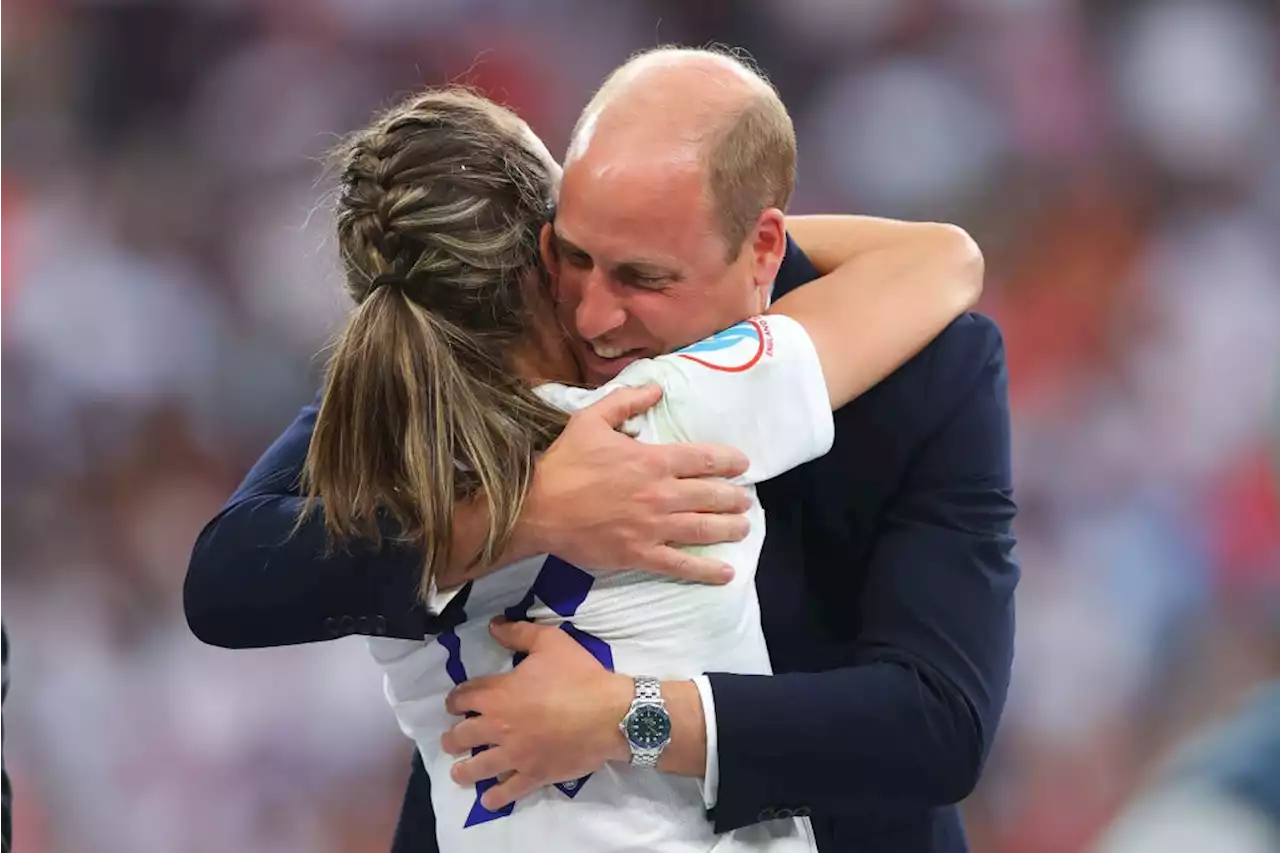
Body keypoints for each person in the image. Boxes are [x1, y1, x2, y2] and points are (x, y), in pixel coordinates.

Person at [186, 46, 1018, 853]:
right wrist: (526, 512)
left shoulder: (921, 366)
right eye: (571, 257)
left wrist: (632, 715)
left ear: (761, 247)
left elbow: (938, 722)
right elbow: (230, 574)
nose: (591, 315)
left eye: (643, 276)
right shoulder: (463, 373)